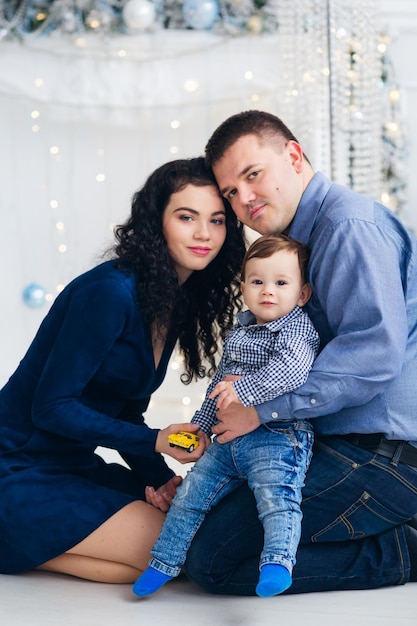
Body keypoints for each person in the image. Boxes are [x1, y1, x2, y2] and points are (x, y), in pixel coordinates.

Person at [182, 110, 417, 595]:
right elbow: (267, 364)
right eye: (230, 192)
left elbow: (372, 354)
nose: (243, 200)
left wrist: (260, 410)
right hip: (333, 439)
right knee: (197, 518)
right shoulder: (292, 248)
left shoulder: (347, 227)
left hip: (387, 455)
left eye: (253, 175)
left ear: (292, 155)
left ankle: (403, 549)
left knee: (211, 560)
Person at [0, 157, 246, 583]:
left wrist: (163, 480)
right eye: (187, 217)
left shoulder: (170, 300)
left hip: (72, 466)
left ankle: (20, 547)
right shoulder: (110, 293)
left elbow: (124, 413)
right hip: (18, 467)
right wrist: (156, 441)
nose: (205, 234)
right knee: (177, 552)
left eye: (217, 220)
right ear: (157, 222)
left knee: (186, 542)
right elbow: (52, 408)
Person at [133, 233, 319, 598]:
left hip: (276, 436)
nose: (268, 291)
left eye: (281, 283)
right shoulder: (241, 330)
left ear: (302, 295)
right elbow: (219, 385)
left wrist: (244, 390)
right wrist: (202, 427)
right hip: (228, 441)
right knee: (191, 497)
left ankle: (278, 563)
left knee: (276, 499)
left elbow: (293, 370)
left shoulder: (296, 329)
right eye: (258, 281)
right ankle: (163, 563)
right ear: (244, 288)